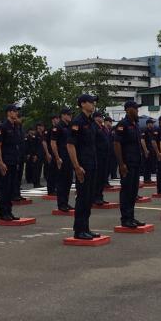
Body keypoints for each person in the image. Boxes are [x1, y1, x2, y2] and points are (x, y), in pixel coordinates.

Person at [66, 94, 101, 240]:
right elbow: (70, 145)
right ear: (82, 104)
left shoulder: (91, 122)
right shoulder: (77, 121)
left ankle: (86, 227)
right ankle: (79, 229)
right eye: (91, 102)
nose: (93, 104)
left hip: (92, 164)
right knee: (82, 198)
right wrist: (77, 166)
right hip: (83, 165)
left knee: (89, 198)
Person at [114, 101, 146, 228]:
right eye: (135, 108)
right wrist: (121, 164)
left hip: (136, 163)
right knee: (126, 191)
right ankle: (125, 219)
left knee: (133, 192)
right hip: (127, 163)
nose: (137, 110)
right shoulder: (123, 124)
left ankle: (131, 217)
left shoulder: (136, 124)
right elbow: (117, 144)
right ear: (128, 110)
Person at [0, 104, 22, 221]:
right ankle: (3, 213)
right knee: (5, 188)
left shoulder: (15, 126)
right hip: (5, 161)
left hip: (13, 161)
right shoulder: (3, 127)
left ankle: (9, 211)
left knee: (11, 188)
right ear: (9, 113)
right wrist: (0, 162)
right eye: (15, 111)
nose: (16, 113)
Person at [51, 107, 74, 213]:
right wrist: (57, 157)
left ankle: (66, 202)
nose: (70, 116)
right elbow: (53, 143)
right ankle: (61, 204)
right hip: (62, 157)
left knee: (68, 181)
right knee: (61, 181)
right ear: (63, 115)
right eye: (68, 114)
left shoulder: (70, 126)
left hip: (69, 157)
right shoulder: (58, 127)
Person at [93, 111, 111, 206]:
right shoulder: (94, 127)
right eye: (100, 117)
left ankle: (100, 196)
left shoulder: (103, 128)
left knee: (103, 177)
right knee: (97, 177)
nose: (102, 118)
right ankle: (95, 197)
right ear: (95, 118)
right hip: (98, 155)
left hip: (105, 155)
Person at [44, 115, 59, 196]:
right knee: (51, 172)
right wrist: (47, 153)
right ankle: (50, 190)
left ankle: (54, 188)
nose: (58, 120)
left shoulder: (57, 129)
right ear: (53, 120)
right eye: (57, 118)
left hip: (56, 153)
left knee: (56, 172)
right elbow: (44, 141)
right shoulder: (49, 130)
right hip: (50, 153)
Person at [141, 119, 156, 183]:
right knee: (146, 165)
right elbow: (142, 140)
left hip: (151, 150)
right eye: (152, 123)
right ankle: (146, 179)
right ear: (148, 124)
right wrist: (145, 150)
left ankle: (149, 178)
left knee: (150, 165)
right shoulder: (145, 130)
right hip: (146, 150)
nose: (153, 124)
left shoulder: (152, 131)